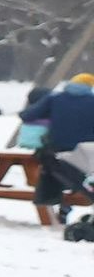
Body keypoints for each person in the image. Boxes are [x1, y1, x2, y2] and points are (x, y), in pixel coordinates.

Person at [27, 71, 94, 223]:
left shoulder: (55, 99)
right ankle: (66, 206)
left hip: (56, 152)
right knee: (82, 178)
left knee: (54, 172)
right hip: (87, 153)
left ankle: (63, 205)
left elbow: (27, 115)